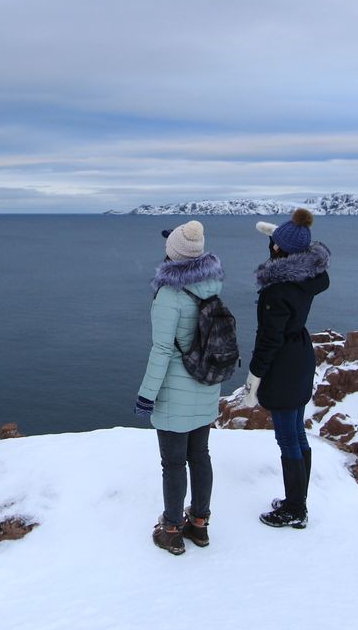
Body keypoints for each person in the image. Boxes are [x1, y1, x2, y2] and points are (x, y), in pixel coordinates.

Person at [134, 220, 225, 555]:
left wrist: (146, 395)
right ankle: (199, 524)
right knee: (199, 455)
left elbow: (162, 350)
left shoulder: (168, 296)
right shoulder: (211, 284)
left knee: (173, 462)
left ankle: (171, 528)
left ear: (170, 254)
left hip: (175, 389)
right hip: (206, 381)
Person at [241, 208, 330, 529]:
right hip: (301, 357)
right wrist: (276, 231)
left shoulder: (277, 290)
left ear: (279, 251)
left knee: (288, 439)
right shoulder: (307, 277)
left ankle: (295, 509)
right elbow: (289, 244)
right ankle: (298, 501)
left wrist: (254, 377)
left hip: (283, 366)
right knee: (298, 434)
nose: (270, 247)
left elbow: (268, 339)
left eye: (274, 244)